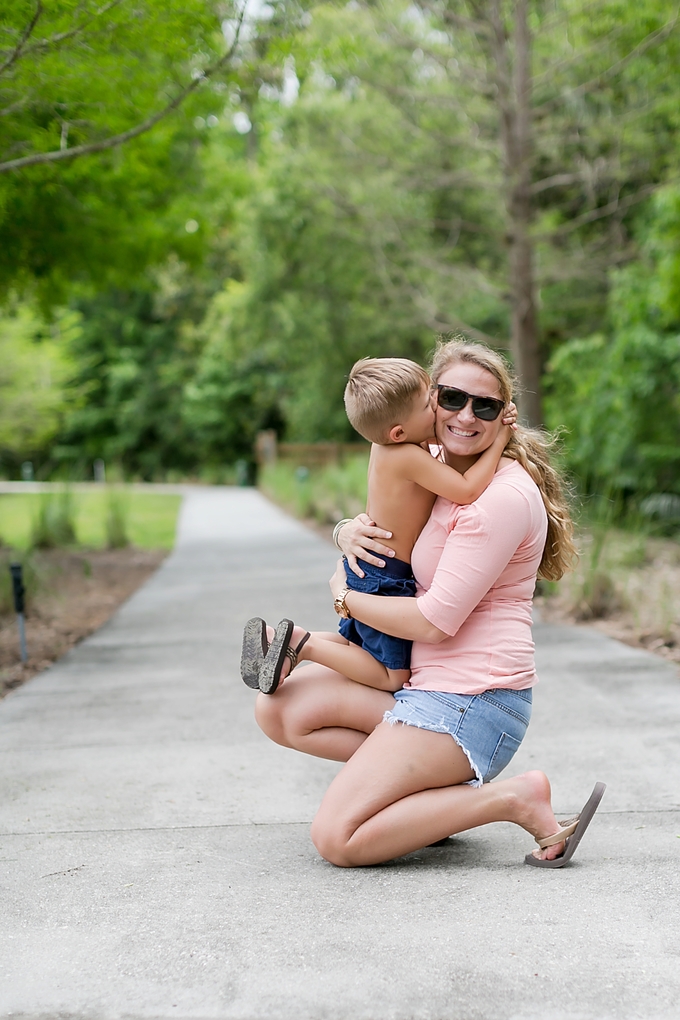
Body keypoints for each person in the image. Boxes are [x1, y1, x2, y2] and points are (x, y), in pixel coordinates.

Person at [252, 337, 605, 869]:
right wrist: (345, 531)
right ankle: (425, 803)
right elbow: (390, 519)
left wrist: (345, 597)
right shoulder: (434, 462)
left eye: (484, 406)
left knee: (336, 838)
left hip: (472, 702)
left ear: (503, 416)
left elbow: (433, 623)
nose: (465, 415)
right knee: (280, 708)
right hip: (428, 689)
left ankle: (511, 798)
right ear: (429, 400)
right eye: (451, 398)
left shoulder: (499, 498)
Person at [241, 356, 517, 694]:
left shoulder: (387, 447)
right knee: (392, 676)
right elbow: (467, 489)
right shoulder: (407, 456)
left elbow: (439, 448)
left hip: (370, 568)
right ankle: (302, 644)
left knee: (357, 650)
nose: (435, 405)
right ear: (399, 432)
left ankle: (281, 642)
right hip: (386, 575)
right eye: (427, 403)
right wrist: (500, 440)